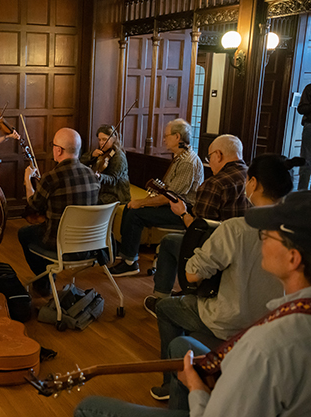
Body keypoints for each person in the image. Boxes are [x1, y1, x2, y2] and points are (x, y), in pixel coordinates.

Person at [74, 190, 311, 417]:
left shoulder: (266, 346)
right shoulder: (292, 315)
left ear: (293, 258)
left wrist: (197, 390)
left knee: (89, 407)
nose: (261, 241)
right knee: (182, 347)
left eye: (267, 236)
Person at [148, 154, 304, 401]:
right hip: (273, 321)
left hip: (232, 321)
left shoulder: (236, 229)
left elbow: (192, 274)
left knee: (166, 308)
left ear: (252, 183)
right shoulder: (298, 227)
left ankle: (173, 383)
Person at [142, 134, 250, 313]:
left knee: (169, 242)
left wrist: (183, 212)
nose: (209, 162)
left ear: (218, 155)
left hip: (218, 251)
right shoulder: (253, 180)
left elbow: (199, 231)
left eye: (209, 157)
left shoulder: (215, 184)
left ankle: (161, 301)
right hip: (246, 250)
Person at [109, 119, 204, 277]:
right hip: (173, 206)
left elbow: (170, 197)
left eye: (166, 136)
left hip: (183, 211)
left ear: (177, 137)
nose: (164, 139)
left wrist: (142, 202)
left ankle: (130, 263)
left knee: (135, 213)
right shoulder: (180, 157)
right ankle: (128, 253)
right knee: (129, 206)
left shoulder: (187, 162)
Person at [19, 127, 100, 296]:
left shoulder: (51, 178)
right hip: (89, 244)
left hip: (60, 244)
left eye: (53, 145)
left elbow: (33, 206)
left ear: (58, 150)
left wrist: (28, 181)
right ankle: (47, 277)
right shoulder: (92, 175)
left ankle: (45, 280)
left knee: (24, 233)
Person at [80, 124, 131, 204]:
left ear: (114, 139)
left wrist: (100, 176)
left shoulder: (119, 156)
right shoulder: (101, 152)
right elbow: (80, 162)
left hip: (116, 194)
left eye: (104, 139)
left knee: (89, 200)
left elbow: (114, 180)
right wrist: (91, 156)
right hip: (103, 191)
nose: (101, 143)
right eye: (99, 140)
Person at [296, 83, 311, 190]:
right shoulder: (310, 88)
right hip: (310, 126)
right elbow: (301, 108)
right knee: (306, 160)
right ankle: (302, 194)